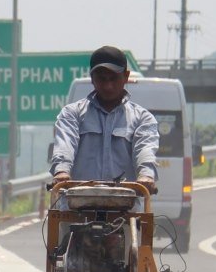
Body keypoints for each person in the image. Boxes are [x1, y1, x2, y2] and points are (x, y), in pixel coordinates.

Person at [49, 45, 159, 192]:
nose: (108, 86)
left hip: (125, 205)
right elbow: (65, 144)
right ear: (92, 79)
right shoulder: (72, 114)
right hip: (77, 204)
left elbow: (145, 149)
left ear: (126, 77)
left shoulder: (142, 118)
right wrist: (61, 171)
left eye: (113, 79)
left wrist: (146, 175)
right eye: (102, 79)